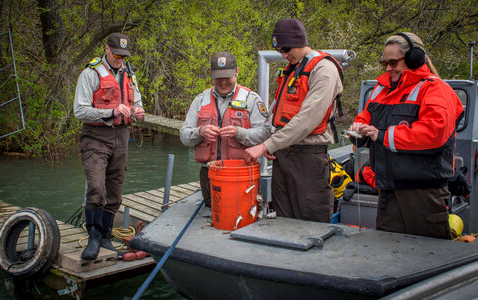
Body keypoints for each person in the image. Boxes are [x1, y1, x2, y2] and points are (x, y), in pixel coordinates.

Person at [348, 32, 464, 239]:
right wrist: (359, 132)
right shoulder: (381, 89)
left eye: (393, 62)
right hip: (387, 190)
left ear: (414, 59)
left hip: (422, 194)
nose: (388, 68)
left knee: (425, 257)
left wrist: (381, 135)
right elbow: (365, 118)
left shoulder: (435, 89)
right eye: (385, 63)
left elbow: (433, 134)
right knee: (386, 252)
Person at [244, 18, 344, 222]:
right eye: (280, 50)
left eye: (286, 48)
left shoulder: (323, 70)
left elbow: (307, 119)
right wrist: (270, 143)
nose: (283, 55)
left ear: (300, 41)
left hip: (309, 159)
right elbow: (275, 115)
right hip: (283, 157)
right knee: (283, 219)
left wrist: (266, 146)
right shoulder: (292, 70)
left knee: (311, 220)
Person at [74, 32, 145, 260]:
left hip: (121, 137)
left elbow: (138, 103)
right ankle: (93, 238)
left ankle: (105, 236)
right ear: (106, 49)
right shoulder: (90, 74)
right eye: (116, 55)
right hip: (95, 136)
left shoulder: (130, 75)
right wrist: (111, 112)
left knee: (115, 191)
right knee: (96, 188)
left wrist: (137, 112)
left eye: (123, 56)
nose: (119, 60)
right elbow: (80, 111)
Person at [180, 51, 270, 207]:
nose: (223, 82)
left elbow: (265, 134)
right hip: (208, 174)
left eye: (227, 77)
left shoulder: (251, 99)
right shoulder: (200, 100)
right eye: (218, 77)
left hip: (242, 174)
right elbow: (184, 136)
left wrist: (239, 133)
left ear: (237, 72)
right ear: (211, 75)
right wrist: (200, 132)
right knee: (212, 215)